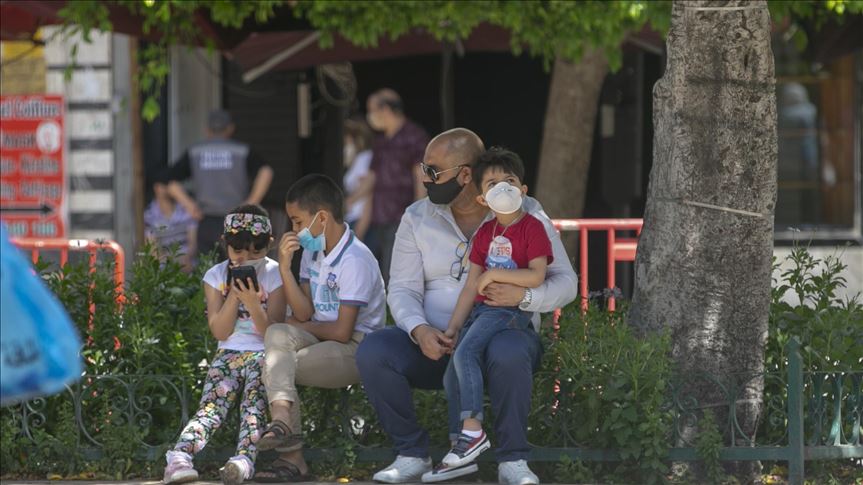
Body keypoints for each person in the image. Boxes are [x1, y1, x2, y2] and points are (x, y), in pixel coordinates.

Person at [355, 128, 577, 485]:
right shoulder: (416, 218)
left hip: (502, 338)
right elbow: (402, 289)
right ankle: (411, 453)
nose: (424, 179)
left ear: (464, 175)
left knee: (508, 352)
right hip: (437, 344)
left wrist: (525, 298)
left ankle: (512, 461)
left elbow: (566, 283)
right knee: (374, 351)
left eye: (433, 171)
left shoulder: (527, 213)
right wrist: (419, 329)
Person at [253, 174, 386, 482]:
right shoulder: (313, 251)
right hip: (322, 333)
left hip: (357, 348)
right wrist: (284, 267)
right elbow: (304, 311)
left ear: (322, 218)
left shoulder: (355, 259)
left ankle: (291, 458)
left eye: (297, 222)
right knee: (276, 335)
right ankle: (283, 421)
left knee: (277, 365)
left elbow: (341, 332)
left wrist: (299, 323)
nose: (294, 231)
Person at [440, 148, 554, 470]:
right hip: (480, 313)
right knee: (453, 371)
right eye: (492, 184)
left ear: (523, 190)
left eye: (510, 180)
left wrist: (495, 274)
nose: (502, 187)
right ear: (481, 199)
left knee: (465, 355)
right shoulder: (485, 234)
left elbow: (536, 274)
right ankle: (460, 447)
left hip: (509, 312)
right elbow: (469, 287)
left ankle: (473, 433)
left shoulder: (532, 227)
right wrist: (452, 327)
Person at [162, 205, 287, 485]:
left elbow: (274, 332)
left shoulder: (276, 275)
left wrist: (254, 304)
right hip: (228, 352)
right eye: (238, 252)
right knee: (211, 408)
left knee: (253, 406)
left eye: (256, 251)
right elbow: (219, 330)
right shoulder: (216, 276)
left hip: (264, 354)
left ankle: (243, 461)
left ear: (269, 244)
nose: (247, 258)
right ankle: (179, 458)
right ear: (226, 245)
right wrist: (234, 296)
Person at [162, 110, 274, 260]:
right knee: (238, 264)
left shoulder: (195, 152)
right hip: (238, 219)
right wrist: (252, 202)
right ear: (230, 129)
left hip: (206, 220)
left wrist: (189, 205)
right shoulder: (241, 151)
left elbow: (169, 181)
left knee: (208, 269)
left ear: (207, 130)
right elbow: (266, 171)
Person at [364, 88, 429, 284]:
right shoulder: (381, 141)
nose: (371, 116)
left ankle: (393, 313)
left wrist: (418, 213)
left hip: (402, 215)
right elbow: (372, 178)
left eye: (373, 109)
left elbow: (420, 174)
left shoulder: (413, 136)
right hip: (378, 216)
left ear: (385, 109)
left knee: (394, 273)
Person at [144, 181, 197, 270]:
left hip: (188, 262)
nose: (169, 187)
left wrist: (186, 259)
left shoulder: (186, 210)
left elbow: (193, 242)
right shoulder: (148, 216)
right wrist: (170, 264)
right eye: (165, 183)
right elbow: (152, 249)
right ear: (156, 188)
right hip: (164, 266)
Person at [343, 118, 375, 240]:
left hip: (360, 219)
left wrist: (361, 228)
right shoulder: (356, 160)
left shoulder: (364, 158)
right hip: (352, 217)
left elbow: (368, 192)